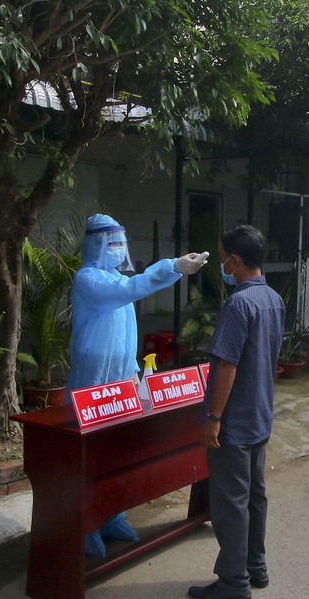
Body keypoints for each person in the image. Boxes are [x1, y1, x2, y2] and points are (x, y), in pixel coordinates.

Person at [67, 213, 209, 557]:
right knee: (89, 455)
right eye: (112, 243)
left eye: (121, 243)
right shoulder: (89, 280)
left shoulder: (115, 278)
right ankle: (85, 523)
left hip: (119, 380)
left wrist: (133, 374)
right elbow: (129, 289)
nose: (118, 250)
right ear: (96, 244)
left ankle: (112, 514)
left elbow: (128, 333)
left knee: (116, 451)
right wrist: (173, 266)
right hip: (92, 382)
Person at [188, 225, 285, 599]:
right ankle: (255, 567)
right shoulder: (273, 299)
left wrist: (214, 417)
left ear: (236, 260)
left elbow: (226, 365)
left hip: (235, 421)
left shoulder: (238, 305)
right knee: (255, 497)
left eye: (224, 257)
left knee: (230, 502)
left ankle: (232, 581)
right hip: (260, 415)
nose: (223, 264)